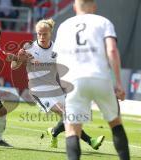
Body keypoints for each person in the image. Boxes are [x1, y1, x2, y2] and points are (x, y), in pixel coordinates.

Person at [53, 0, 130, 159]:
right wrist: (119, 83)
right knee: (115, 123)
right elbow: (112, 50)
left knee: (72, 130)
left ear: (74, 7)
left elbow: (57, 59)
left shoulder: (64, 25)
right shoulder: (103, 22)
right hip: (100, 78)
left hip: (74, 82)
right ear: (94, 6)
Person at [11, 18, 104, 149]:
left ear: (51, 33)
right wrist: (19, 59)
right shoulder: (29, 48)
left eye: (45, 34)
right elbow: (13, 66)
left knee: (72, 115)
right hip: (39, 89)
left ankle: (54, 132)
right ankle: (90, 141)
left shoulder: (58, 48)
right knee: (67, 113)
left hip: (55, 88)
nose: (42, 37)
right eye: (39, 34)